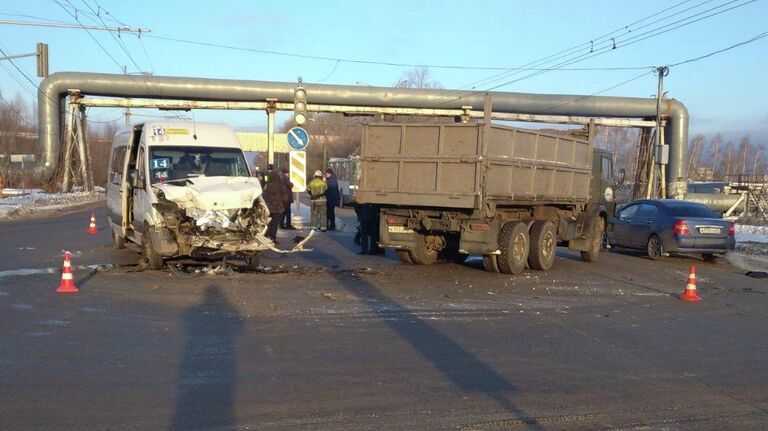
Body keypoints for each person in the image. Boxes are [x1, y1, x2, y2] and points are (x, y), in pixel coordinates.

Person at [262, 169, 287, 244]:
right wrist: (284, 204)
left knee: (268, 223)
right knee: (275, 224)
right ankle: (272, 238)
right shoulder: (280, 185)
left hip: (268, 208)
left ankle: (266, 236)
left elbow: (263, 197)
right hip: (278, 208)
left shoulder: (266, 186)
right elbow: (285, 197)